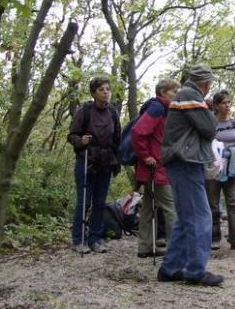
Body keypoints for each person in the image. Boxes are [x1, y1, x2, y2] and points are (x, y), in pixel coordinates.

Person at [157, 65, 222, 286]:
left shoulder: (185, 95)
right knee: (201, 216)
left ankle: (171, 268)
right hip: (185, 162)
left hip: (181, 162)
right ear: (205, 83)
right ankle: (195, 270)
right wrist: (210, 112)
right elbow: (211, 129)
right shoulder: (190, 95)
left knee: (186, 218)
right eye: (209, 84)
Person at [67, 75, 121, 254]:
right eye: (101, 90)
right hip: (86, 161)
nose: (105, 92)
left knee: (100, 202)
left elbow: (117, 139)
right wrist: (81, 141)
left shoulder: (112, 112)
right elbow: (72, 135)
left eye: (107, 89)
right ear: (93, 93)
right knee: (84, 202)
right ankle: (78, 239)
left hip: (105, 161)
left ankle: (95, 239)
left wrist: (116, 160)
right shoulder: (85, 110)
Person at [132, 78, 180, 259]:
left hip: (153, 167)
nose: (176, 95)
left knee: (147, 207)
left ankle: (144, 246)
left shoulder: (164, 110)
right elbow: (138, 132)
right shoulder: (157, 108)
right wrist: (146, 156)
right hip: (156, 167)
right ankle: (175, 250)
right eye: (173, 91)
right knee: (171, 207)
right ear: (162, 92)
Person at [206, 89, 235, 252]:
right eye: (224, 103)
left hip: (232, 169)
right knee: (213, 205)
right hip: (213, 168)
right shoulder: (210, 123)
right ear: (216, 105)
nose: (227, 105)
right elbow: (205, 144)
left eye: (229, 102)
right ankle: (214, 238)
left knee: (234, 203)